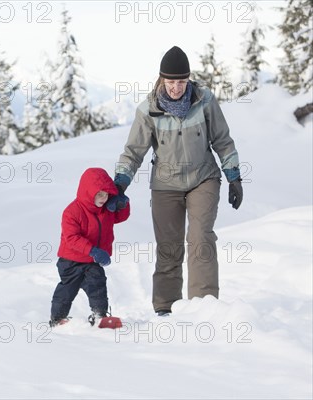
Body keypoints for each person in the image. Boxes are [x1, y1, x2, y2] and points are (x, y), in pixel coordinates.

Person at [113, 46, 243, 316]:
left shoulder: (204, 101)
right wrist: (120, 183)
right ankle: (166, 308)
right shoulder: (148, 110)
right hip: (165, 186)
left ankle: (203, 306)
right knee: (169, 247)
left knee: (200, 238)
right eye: (170, 82)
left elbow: (222, 140)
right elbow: (133, 151)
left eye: (181, 81)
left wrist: (234, 176)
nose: (176, 87)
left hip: (203, 179)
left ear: (188, 80)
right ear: (161, 80)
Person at [49, 167, 130, 327]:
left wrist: (122, 202)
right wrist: (92, 250)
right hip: (71, 260)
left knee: (98, 286)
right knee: (67, 290)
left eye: (106, 194)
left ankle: (99, 316)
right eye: (99, 194)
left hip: (92, 261)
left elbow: (121, 217)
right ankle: (57, 319)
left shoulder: (106, 209)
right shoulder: (72, 211)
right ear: (88, 191)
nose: (103, 198)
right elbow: (71, 238)